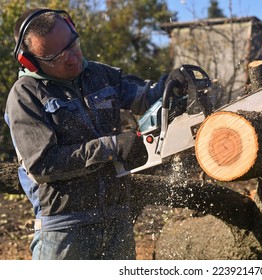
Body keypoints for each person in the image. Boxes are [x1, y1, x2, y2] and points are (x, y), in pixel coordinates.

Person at [4, 8, 189, 260]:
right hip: (65, 229)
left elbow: (142, 97)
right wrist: (111, 148)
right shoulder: (26, 95)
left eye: (72, 45)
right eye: (56, 57)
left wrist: (171, 85)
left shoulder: (99, 75)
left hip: (117, 218)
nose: (71, 58)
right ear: (31, 61)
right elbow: (42, 164)